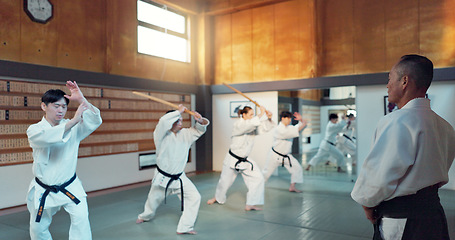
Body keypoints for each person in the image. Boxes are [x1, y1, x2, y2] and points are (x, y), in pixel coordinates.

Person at [351, 54, 455, 240]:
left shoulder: (396, 122)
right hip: (434, 214)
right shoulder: (445, 126)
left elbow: (380, 174)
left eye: (390, 78)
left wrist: (367, 203)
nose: (387, 85)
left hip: (403, 219)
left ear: (404, 81)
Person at [26, 81, 102, 240]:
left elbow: (95, 120)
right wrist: (74, 120)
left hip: (70, 185)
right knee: (38, 228)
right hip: (44, 187)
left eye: (64, 107)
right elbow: (48, 138)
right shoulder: (35, 129)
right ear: (44, 107)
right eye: (56, 106)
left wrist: (82, 100)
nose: (61, 110)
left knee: (81, 220)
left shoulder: (73, 127)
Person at [136, 104, 209, 235]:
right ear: (170, 121)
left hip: (180, 177)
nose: (180, 123)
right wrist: (178, 111)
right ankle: (145, 216)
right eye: (177, 120)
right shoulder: (161, 135)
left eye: (181, 120)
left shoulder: (186, 134)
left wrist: (200, 120)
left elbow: (199, 130)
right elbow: (163, 121)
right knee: (153, 200)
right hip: (163, 177)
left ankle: (185, 227)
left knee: (194, 197)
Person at [207, 105, 274, 211]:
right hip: (232, 159)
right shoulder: (238, 124)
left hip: (244, 160)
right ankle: (217, 198)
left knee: (258, 178)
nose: (253, 117)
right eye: (251, 114)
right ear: (244, 114)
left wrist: (269, 118)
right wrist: (261, 114)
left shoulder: (252, 125)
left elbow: (264, 128)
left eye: (253, 115)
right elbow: (249, 125)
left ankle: (250, 203)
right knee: (224, 181)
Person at [263, 111, 307, 192]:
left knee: (297, 168)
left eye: (290, 118)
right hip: (275, 155)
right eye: (288, 118)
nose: (290, 120)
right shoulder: (279, 129)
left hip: (286, 156)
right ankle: (257, 186)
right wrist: (303, 123)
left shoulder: (290, 127)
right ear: (283, 118)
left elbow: (300, 127)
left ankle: (292, 187)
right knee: (266, 173)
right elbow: (296, 130)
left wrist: (301, 120)